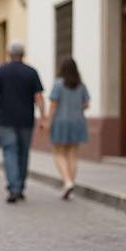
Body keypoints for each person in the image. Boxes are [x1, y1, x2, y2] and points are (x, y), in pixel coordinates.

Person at [0, 41, 47, 203]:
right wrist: (43, 117)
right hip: (26, 120)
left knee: (10, 152)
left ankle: (13, 187)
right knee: (23, 152)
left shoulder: (2, 71)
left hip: (6, 120)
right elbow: (39, 97)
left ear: (9, 53)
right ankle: (19, 187)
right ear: (23, 54)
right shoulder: (31, 72)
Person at [49, 57, 90, 199]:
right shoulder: (81, 85)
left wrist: (48, 122)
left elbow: (53, 105)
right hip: (78, 121)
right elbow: (86, 104)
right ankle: (70, 182)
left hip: (61, 121)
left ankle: (67, 182)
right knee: (73, 154)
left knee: (59, 153)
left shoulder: (58, 84)